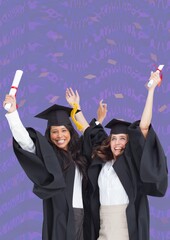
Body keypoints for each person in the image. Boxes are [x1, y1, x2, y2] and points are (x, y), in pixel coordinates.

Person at [65, 71, 168, 240]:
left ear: (129, 143)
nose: (118, 143)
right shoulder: (103, 161)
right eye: (114, 139)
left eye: (122, 139)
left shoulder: (132, 163)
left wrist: (151, 92)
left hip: (125, 225)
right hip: (103, 225)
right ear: (109, 141)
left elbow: (143, 126)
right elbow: (88, 131)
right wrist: (76, 107)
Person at [3, 95, 92, 240]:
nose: (59, 135)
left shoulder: (80, 153)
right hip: (60, 216)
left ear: (70, 132)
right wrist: (13, 114)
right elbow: (26, 142)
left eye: (63, 130)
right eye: (54, 131)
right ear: (49, 135)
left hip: (83, 216)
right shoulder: (49, 156)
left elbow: (94, 139)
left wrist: (77, 109)